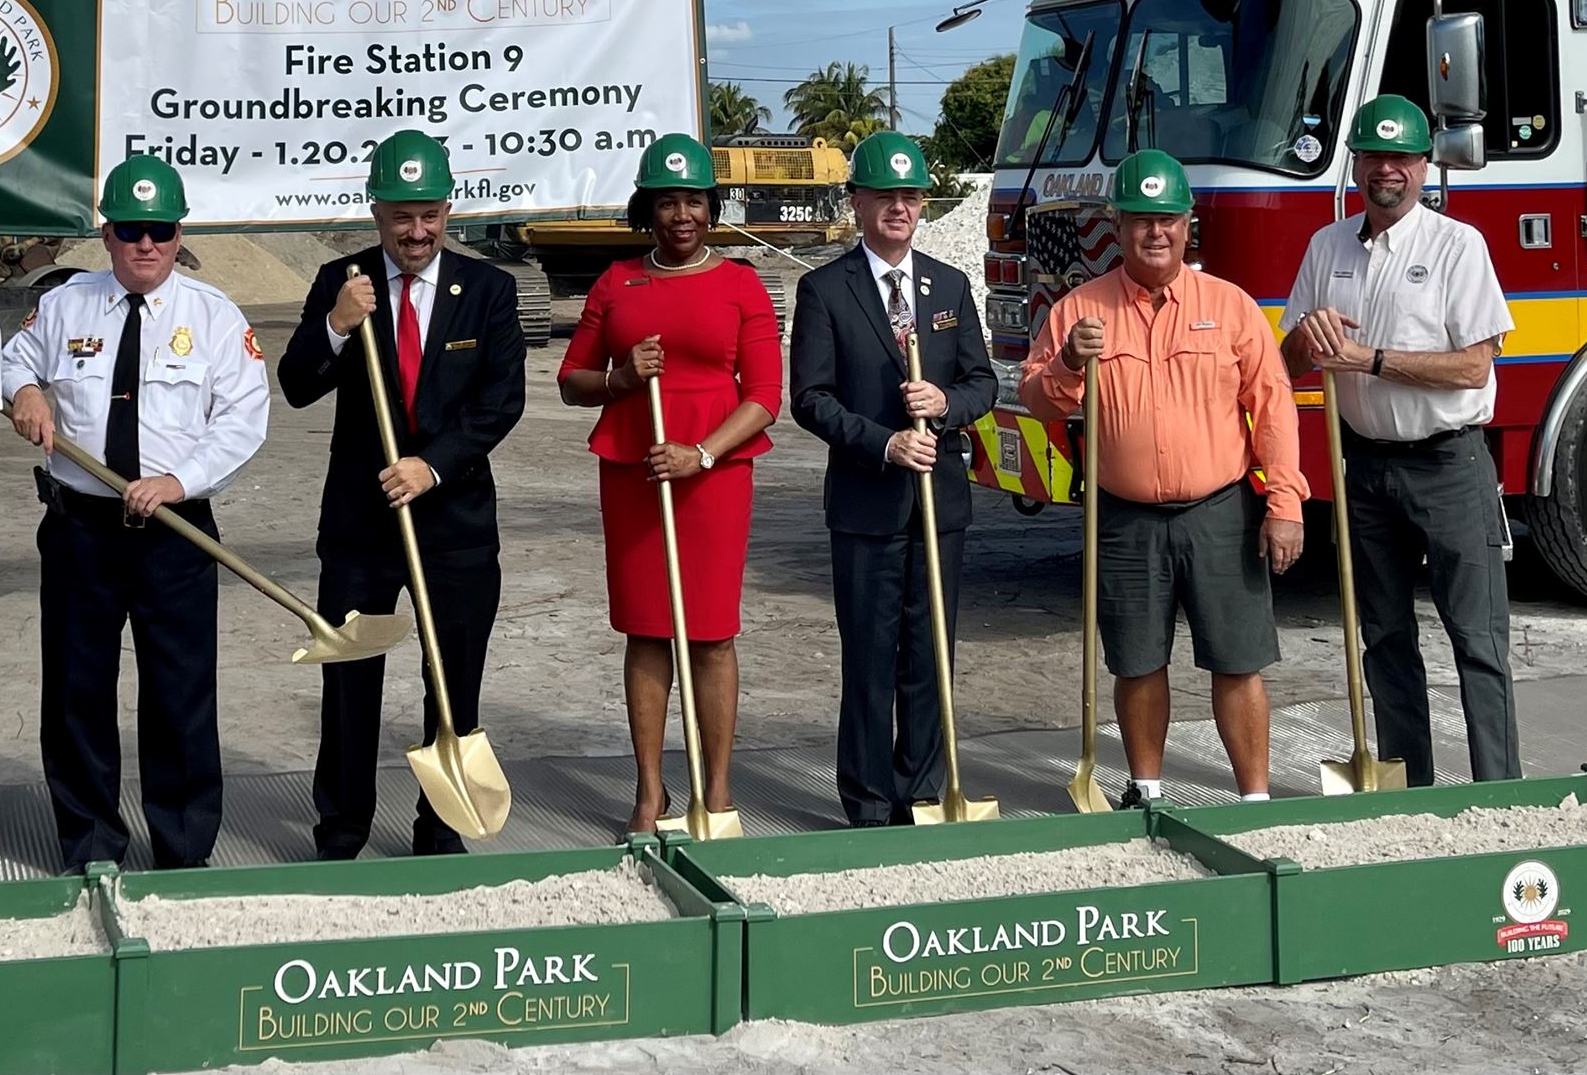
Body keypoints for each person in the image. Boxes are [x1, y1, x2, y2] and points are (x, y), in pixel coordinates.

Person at [2, 152, 270, 871]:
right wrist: (24, 391)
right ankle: (91, 842)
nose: (144, 244)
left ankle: (182, 847)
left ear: (179, 234)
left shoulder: (214, 316)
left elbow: (244, 418)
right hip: (81, 530)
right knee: (77, 691)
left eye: (159, 230)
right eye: (129, 229)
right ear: (107, 234)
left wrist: (181, 480)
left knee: (180, 695)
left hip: (175, 534)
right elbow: (14, 358)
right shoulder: (65, 304)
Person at [1019, 148, 1304, 806]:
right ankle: (1145, 790)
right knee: (1137, 660)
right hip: (1124, 517)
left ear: (1187, 223)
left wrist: (1285, 504)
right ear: (1117, 226)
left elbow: (1273, 408)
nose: (1156, 232)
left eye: (1168, 219)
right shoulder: (1078, 311)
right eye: (1141, 219)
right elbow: (1037, 401)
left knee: (1238, 659)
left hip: (1220, 513)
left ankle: (1255, 800)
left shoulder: (1230, 307)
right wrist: (1066, 362)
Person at [278, 130, 526, 858]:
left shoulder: (489, 290)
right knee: (350, 680)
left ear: (448, 209)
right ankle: (342, 829)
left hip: (454, 521)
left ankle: (439, 829)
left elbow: (501, 400)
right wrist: (336, 325)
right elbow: (296, 385)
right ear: (375, 212)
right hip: (361, 525)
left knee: (452, 677)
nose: (416, 232)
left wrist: (431, 466)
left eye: (429, 215)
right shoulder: (341, 279)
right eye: (400, 217)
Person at [1282, 94, 1519, 785]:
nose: (1387, 169)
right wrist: (1310, 335)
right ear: (1355, 164)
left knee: (1477, 638)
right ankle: (1410, 787)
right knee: (1383, 636)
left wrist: (1369, 359)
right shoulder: (1326, 246)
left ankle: (1500, 790)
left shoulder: (1456, 245)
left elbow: (1473, 366)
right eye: (1374, 156)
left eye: (1402, 158)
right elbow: (1289, 362)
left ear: (1423, 165)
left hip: (1449, 464)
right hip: (1364, 467)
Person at [558, 134, 781, 835]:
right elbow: (571, 380)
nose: (681, 215)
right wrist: (622, 378)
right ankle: (649, 793)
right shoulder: (616, 281)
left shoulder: (741, 284)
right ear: (646, 210)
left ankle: (717, 792)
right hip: (635, 472)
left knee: (711, 633)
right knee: (647, 630)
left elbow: (765, 395)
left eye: (693, 200)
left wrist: (703, 454)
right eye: (666, 202)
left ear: (711, 207)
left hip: (714, 476)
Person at [790, 131, 997, 827]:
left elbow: (981, 382)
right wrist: (884, 443)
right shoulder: (825, 290)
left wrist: (946, 403)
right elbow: (811, 398)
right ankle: (870, 802)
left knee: (930, 656)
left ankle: (922, 794)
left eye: (910, 196)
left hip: (940, 506)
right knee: (870, 661)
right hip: (866, 505)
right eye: (885, 196)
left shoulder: (949, 285)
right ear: (857, 203)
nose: (899, 208)